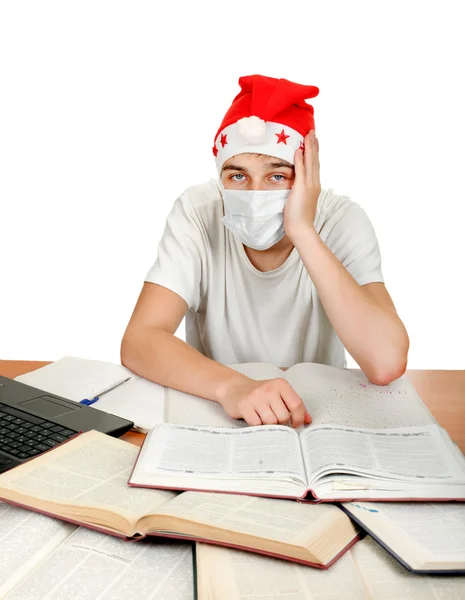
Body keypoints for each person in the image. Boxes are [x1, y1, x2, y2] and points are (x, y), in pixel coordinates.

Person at [121, 74, 409, 429]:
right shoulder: (198, 211)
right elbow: (140, 339)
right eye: (238, 176)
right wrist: (234, 388)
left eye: (277, 176)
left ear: (308, 174)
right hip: (222, 412)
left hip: (319, 418)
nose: (255, 194)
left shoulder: (342, 220)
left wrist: (303, 230)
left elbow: (386, 362)